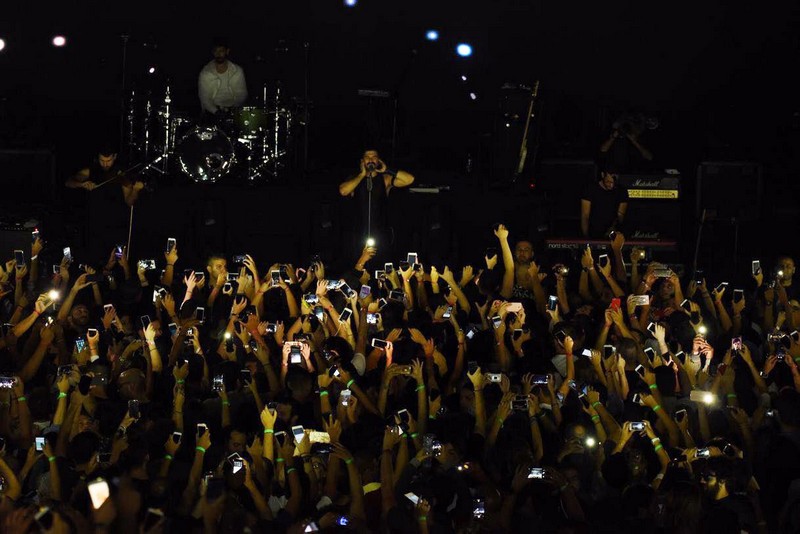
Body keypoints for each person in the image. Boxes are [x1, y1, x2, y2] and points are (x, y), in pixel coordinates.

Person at [338, 149, 415, 257]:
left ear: (378, 160)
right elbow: (343, 191)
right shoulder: (355, 179)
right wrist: (362, 175)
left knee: (381, 268)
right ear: (362, 161)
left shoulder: (385, 178)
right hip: (359, 233)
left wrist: (388, 169)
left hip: (381, 233)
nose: (370, 159)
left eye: (374, 157)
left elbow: (409, 179)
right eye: (367, 157)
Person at [198, 38, 248, 116]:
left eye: (221, 51)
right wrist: (216, 112)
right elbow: (204, 98)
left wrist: (233, 110)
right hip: (213, 113)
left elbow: (241, 94)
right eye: (216, 51)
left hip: (233, 111)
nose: (218, 54)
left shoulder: (237, 71)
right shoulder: (205, 73)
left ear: (227, 51)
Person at [580, 168, 628, 239]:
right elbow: (585, 216)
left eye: (613, 183)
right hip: (593, 233)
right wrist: (585, 237)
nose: (611, 185)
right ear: (602, 175)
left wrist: (614, 227)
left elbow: (620, 215)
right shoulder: (590, 189)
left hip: (613, 234)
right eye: (608, 182)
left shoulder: (621, 191)